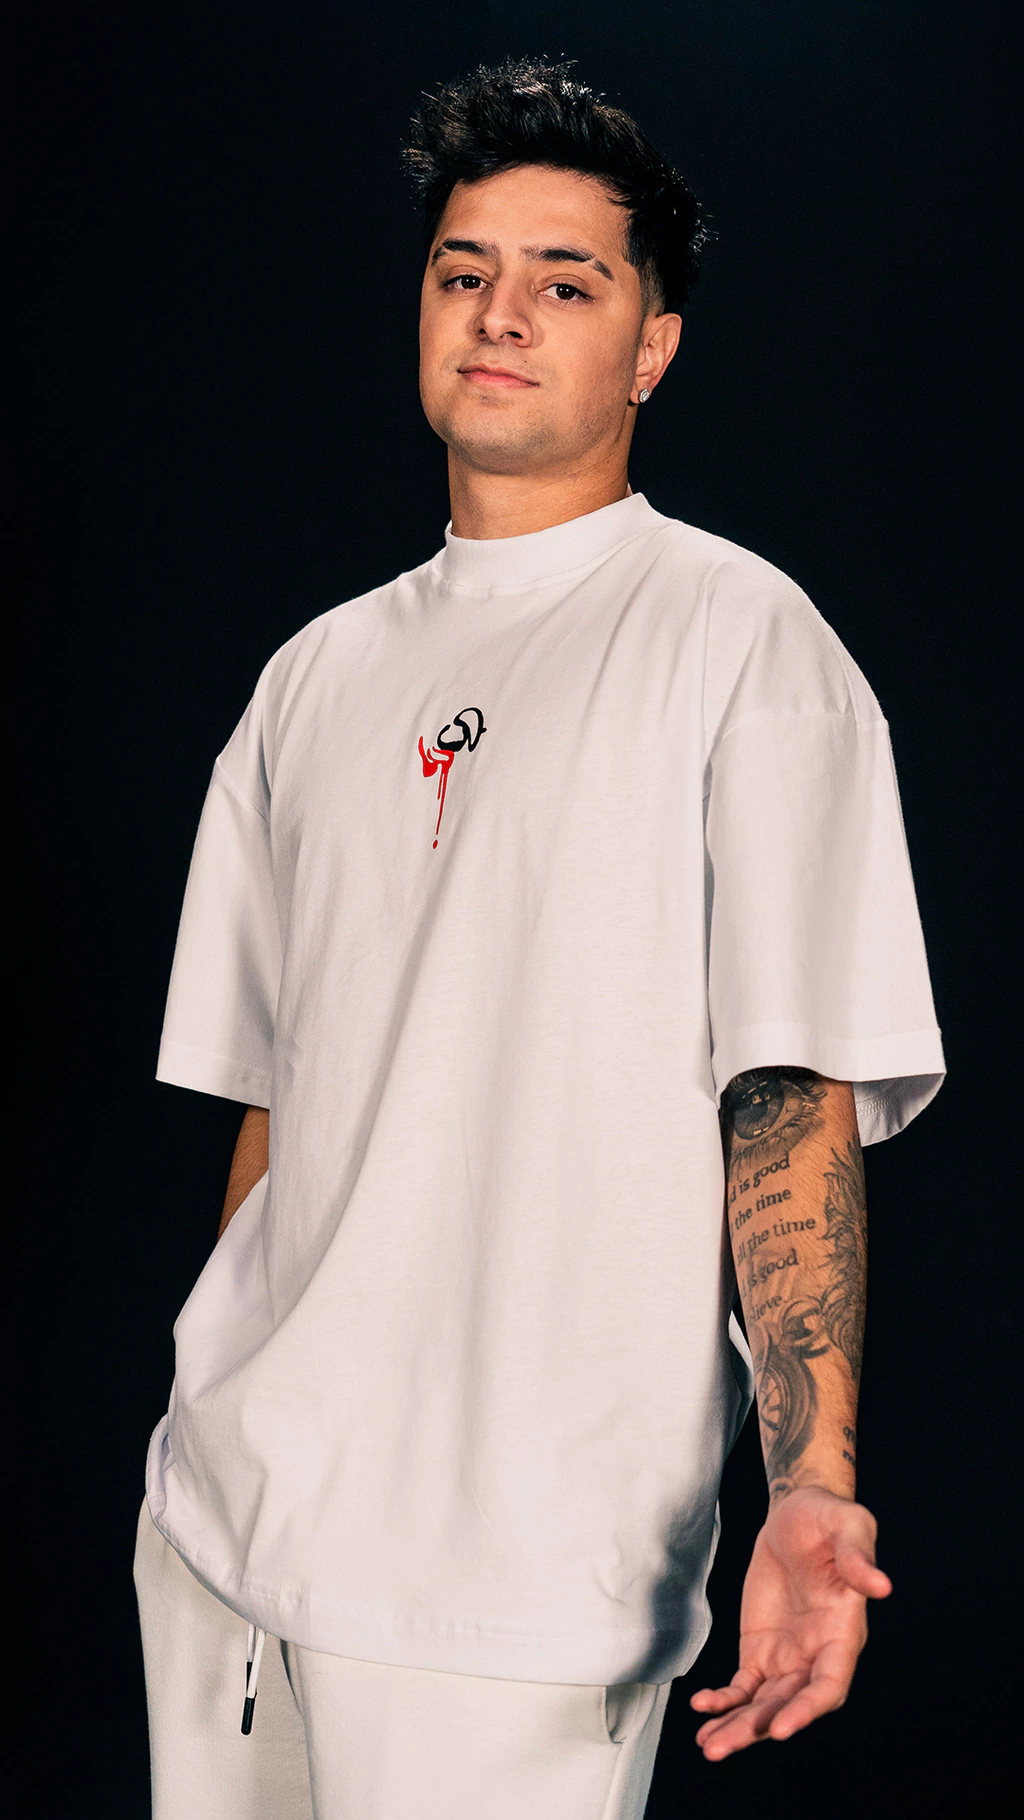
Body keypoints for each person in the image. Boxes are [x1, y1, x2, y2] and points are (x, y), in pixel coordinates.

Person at [134, 55, 945, 1820]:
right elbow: (274, 1101)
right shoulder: (312, 679)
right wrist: (223, 1391)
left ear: (653, 348)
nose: (500, 314)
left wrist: (814, 1481)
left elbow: (787, 1097)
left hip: (516, 1578)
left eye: (566, 283)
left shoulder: (742, 640)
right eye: (463, 271)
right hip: (230, 1533)